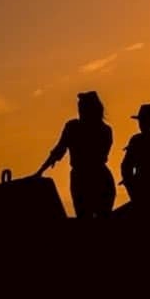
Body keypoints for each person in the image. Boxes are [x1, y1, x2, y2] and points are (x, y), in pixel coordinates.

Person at [36, 91, 116, 219]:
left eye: (82, 108)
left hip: (87, 179)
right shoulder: (104, 130)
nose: (79, 110)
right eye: (79, 107)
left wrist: (40, 171)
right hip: (96, 178)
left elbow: (58, 151)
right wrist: (40, 171)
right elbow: (58, 151)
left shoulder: (74, 128)